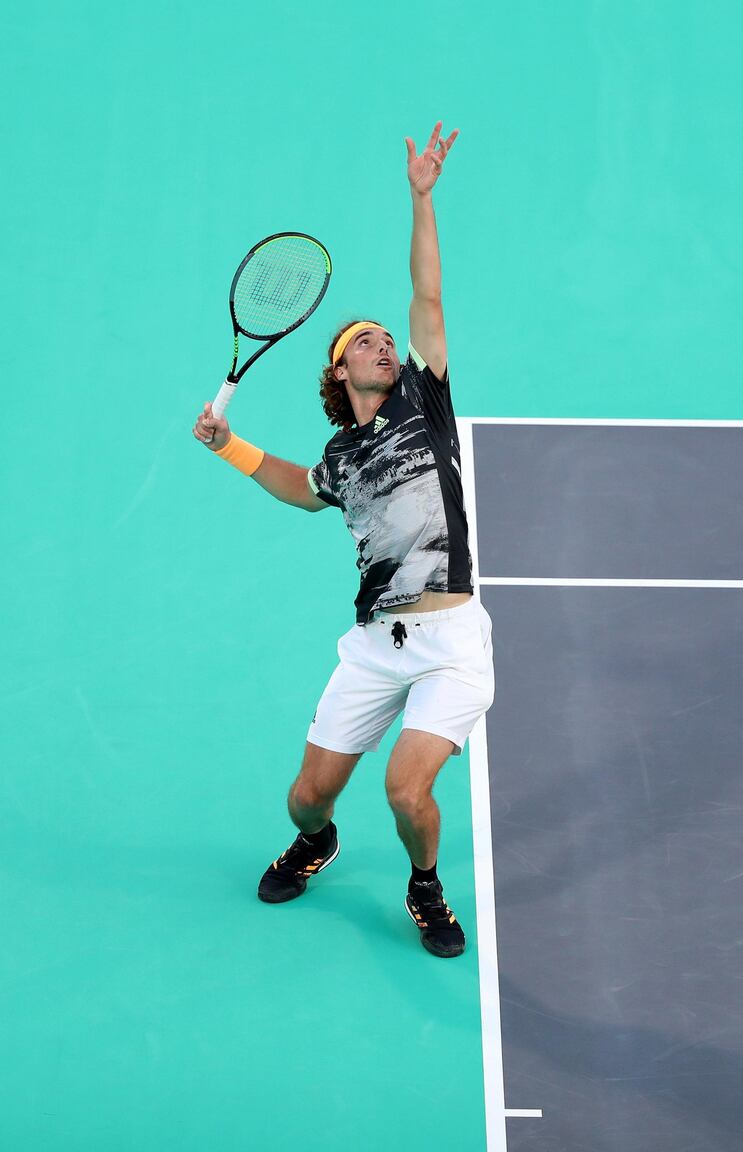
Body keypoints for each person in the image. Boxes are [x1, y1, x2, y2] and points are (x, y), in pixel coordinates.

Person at [193, 122, 494, 958]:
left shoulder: (423, 401)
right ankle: (319, 840)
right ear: (338, 373)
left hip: (451, 641)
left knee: (407, 792)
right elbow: (302, 489)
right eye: (364, 341)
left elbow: (425, 300)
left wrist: (421, 197)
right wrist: (232, 448)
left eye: (385, 338)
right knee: (306, 795)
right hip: (373, 644)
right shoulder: (341, 455)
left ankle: (425, 887)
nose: (383, 342)